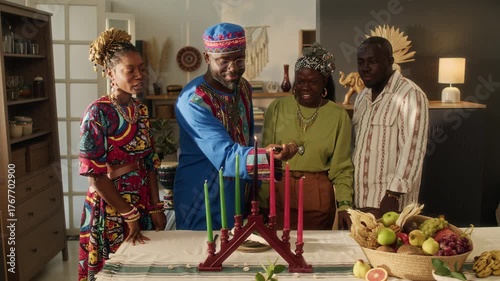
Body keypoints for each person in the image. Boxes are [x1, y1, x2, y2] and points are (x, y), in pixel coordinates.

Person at [174, 22, 296, 230]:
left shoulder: (243, 87)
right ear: (207, 58)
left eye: (239, 60)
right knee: (204, 258)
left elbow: (246, 140)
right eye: (223, 61)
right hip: (201, 197)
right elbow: (225, 154)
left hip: (239, 190)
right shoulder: (193, 101)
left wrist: (254, 188)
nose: (232, 68)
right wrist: (267, 157)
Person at [78, 28, 166, 281]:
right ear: (110, 74)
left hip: (141, 201)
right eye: (131, 70)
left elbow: (149, 161)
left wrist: (154, 206)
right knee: (115, 272)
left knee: (146, 271)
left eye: (142, 68)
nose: (139, 75)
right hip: (112, 207)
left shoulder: (140, 108)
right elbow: (95, 176)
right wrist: (129, 214)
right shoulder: (97, 113)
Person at [262, 42, 354, 230]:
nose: (305, 87)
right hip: (280, 194)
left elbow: (342, 167)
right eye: (301, 81)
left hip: (318, 198)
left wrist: (345, 205)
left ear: (324, 84)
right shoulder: (278, 108)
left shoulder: (338, 116)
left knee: (314, 253)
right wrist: (262, 200)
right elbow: (265, 159)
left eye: (313, 82)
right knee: (279, 250)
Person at [352, 36, 429, 219]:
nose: (365, 68)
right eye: (361, 62)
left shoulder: (411, 94)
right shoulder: (362, 98)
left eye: (373, 61)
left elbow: (413, 149)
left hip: (390, 205)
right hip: (360, 204)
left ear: (390, 62)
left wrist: (392, 194)